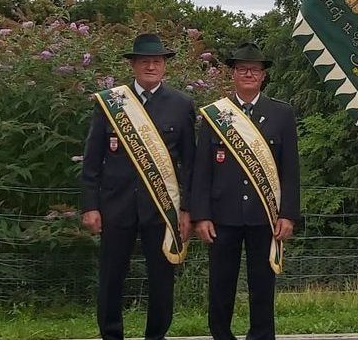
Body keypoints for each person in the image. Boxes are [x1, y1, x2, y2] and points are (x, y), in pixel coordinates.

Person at [80, 33, 195, 340]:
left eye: (156, 61)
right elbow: (92, 161)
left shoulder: (182, 104)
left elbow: (190, 163)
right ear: (132, 65)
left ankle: (155, 336)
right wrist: (90, 205)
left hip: (161, 209)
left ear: (164, 66)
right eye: (144, 61)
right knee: (111, 278)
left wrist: (187, 209)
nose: (151, 66)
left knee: (161, 280)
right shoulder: (110, 104)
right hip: (115, 207)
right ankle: (111, 334)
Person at [191, 42, 300, 340]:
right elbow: (201, 171)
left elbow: (290, 170)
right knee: (220, 286)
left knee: (262, 287)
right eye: (242, 69)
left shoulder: (281, 114)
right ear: (233, 74)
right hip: (222, 216)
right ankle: (221, 336)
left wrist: (288, 214)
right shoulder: (215, 115)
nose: (249, 74)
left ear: (264, 75)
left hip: (264, 216)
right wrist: (201, 216)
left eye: (255, 69)